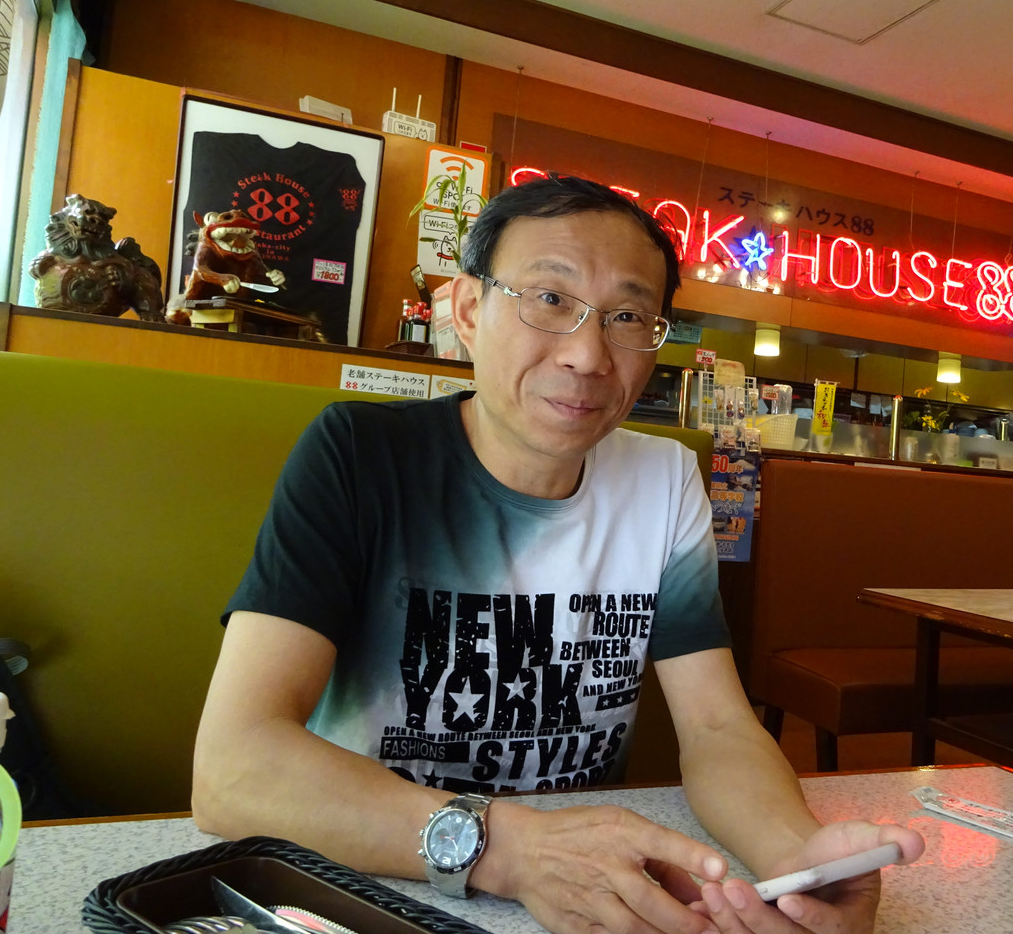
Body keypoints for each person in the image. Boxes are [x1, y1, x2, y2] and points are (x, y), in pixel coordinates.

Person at [192, 173, 923, 934]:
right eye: (549, 298)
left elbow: (716, 728)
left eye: (627, 316)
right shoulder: (359, 455)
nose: (587, 355)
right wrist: (510, 851)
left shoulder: (664, 480)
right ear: (467, 311)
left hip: (582, 899)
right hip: (373, 882)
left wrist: (796, 859)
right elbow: (234, 768)